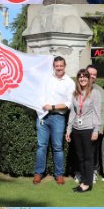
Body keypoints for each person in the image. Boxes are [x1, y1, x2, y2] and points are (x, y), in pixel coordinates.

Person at [35, 56, 73, 185]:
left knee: (57, 147)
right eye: (56, 66)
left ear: (64, 66)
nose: (59, 68)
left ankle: (59, 174)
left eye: (61, 65)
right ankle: (39, 173)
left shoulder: (69, 82)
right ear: (53, 66)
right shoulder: (47, 78)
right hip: (43, 116)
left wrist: (52, 107)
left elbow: (69, 103)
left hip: (58, 117)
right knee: (41, 146)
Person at [68, 68, 104, 193]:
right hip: (77, 129)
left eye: (85, 76)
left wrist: (96, 130)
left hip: (89, 129)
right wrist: (68, 130)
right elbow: (73, 112)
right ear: (78, 79)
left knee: (88, 157)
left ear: (89, 79)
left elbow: (97, 113)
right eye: (80, 76)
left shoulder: (95, 93)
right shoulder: (75, 94)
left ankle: (87, 184)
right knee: (80, 157)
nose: (82, 79)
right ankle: (83, 181)